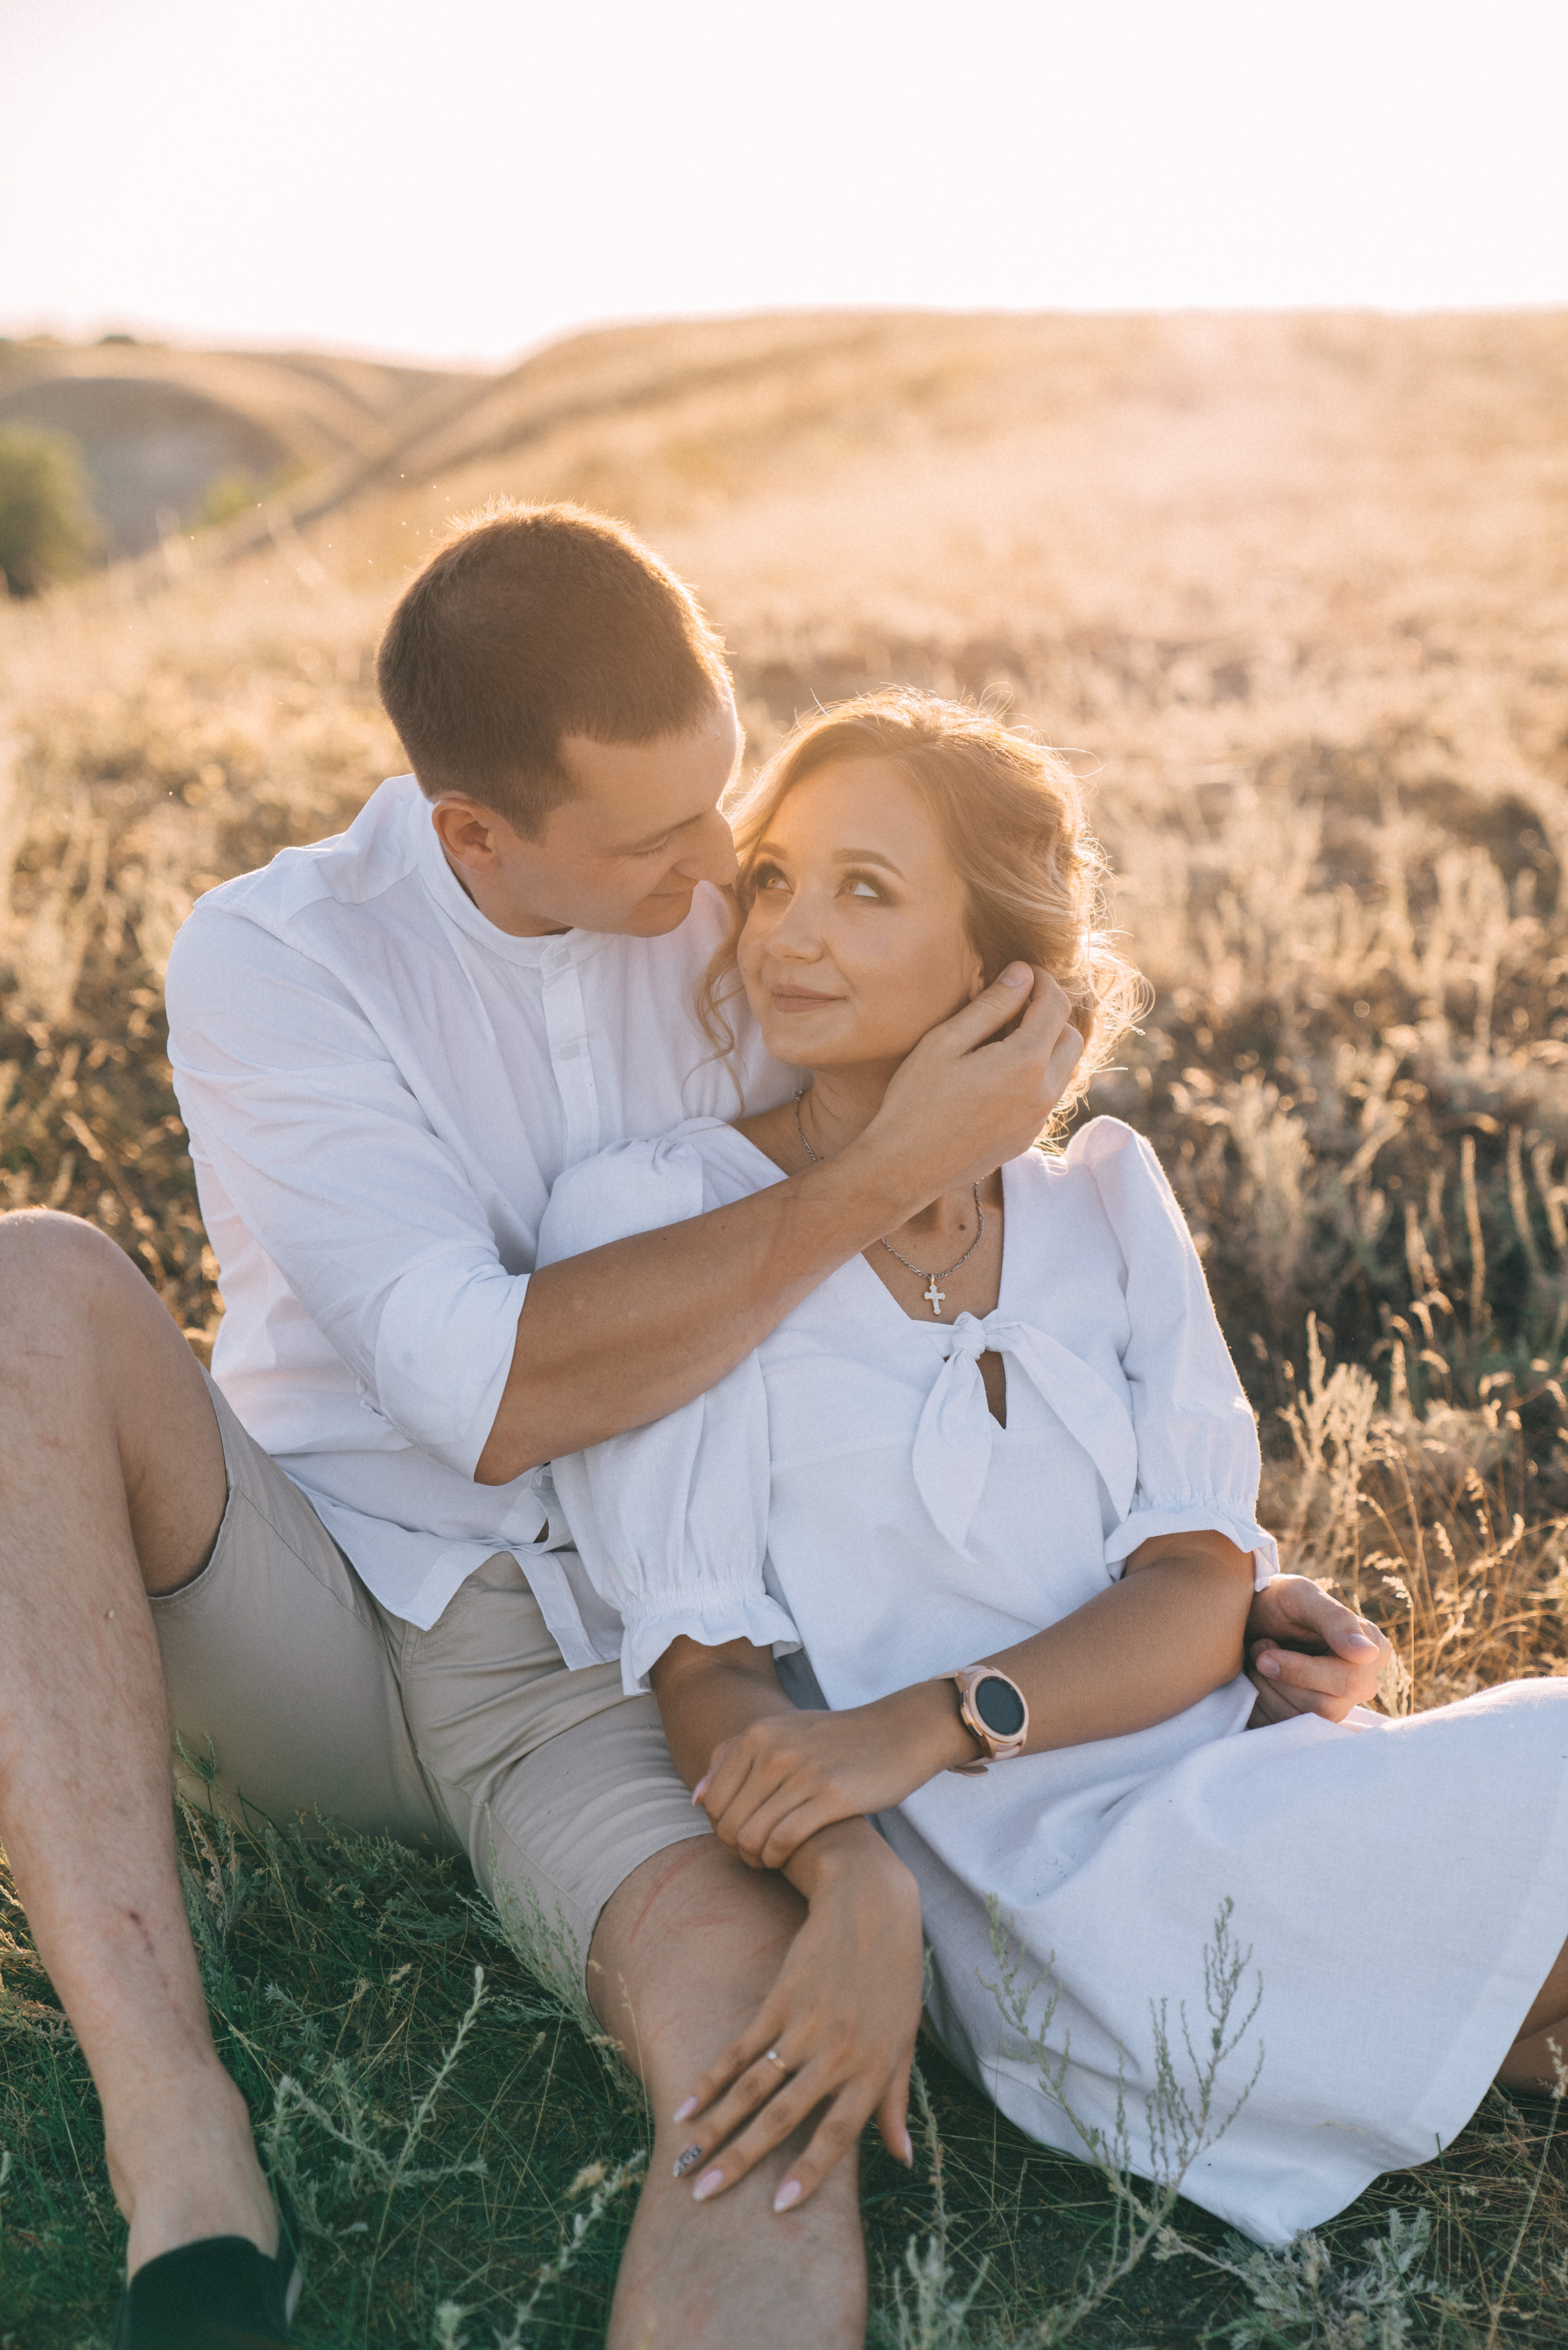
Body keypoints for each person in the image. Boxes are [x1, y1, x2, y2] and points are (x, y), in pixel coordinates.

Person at [0, 506, 1379, 2348]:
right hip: (324, 1597)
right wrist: (873, 1167)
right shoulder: (283, 955)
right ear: (475, 835)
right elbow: (493, 1397)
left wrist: (1202, 1582)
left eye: (721, 796)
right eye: (658, 839)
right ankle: (173, 2123)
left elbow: (973, 1258)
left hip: (652, 1660)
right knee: (29, 1282)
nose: (724, 864)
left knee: (756, 2063)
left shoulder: (746, 913)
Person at [537, 687, 1568, 2250]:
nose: (787, 933)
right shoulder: (658, 1214)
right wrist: (853, 1868)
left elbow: (1197, 1581)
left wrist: (938, 1716)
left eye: (863, 889)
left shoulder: (1102, 1198)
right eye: (774, 878)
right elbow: (706, 1667)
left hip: (1241, 1776)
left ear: (995, 965)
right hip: (1041, 1897)